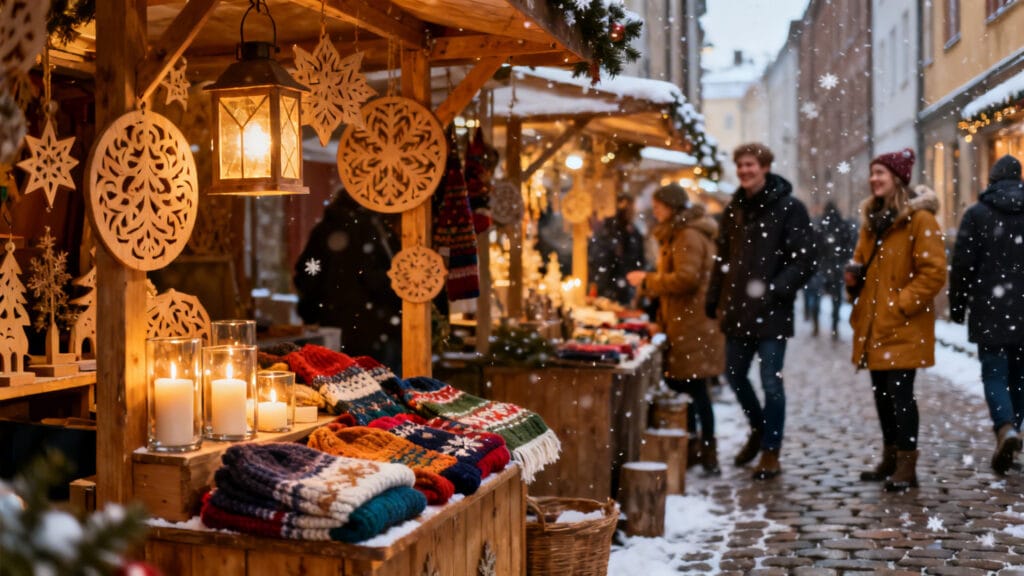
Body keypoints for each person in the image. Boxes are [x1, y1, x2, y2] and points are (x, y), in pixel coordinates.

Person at [705, 143, 816, 480]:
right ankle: (758, 428)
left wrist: (774, 291)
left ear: (765, 166)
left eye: (750, 164)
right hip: (738, 309)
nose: (744, 171)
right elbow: (722, 261)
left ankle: (771, 450)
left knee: (771, 383)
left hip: (772, 313)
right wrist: (714, 298)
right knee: (735, 376)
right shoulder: (733, 209)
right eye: (740, 165)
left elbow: (805, 259)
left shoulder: (789, 208)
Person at [847, 148, 947, 492]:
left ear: (898, 179)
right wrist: (854, 282)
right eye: (873, 172)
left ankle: (907, 464)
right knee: (882, 395)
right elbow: (863, 263)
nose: (875, 179)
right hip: (876, 325)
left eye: (882, 173)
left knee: (900, 394)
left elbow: (933, 273)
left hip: (903, 325)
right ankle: (890, 457)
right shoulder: (871, 220)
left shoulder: (920, 221)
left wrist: (899, 304)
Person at [626, 184, 725, 474]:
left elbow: (686, 279)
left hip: (694, 324)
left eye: (658, 207)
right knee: (689, 387)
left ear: (671, 207)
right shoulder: (680, 233)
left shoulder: (687, 235)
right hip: (686, 322)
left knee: (694, 388)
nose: (654, 212)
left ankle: (704, 451)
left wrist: (648, 280)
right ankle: (695, 446)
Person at [950, 154, 1024, 474]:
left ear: (991, 180)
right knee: (1020, 377)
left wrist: (957, 305)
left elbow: (962, 267)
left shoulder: (977, 214)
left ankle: (1005, 428)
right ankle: (1014, 430)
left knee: (994, 374)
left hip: (989, 309)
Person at [294, 189, 403, 372]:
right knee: (383, 384)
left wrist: (311, 310)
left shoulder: (324, 230)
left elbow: (308, 274)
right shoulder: (375, 230)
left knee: (339, 381)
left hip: (334, 324)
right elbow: (389, 277)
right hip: (376, 326)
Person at [590, 193, 647, 305]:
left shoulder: (633, 232)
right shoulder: (611, 230)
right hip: (611, 284)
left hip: (625, 284)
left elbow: (639, 259)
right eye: (628, 208)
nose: (632, 211)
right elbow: (603, 260)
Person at [818, 201, 855, 340]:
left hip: (825, 267)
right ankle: (834, 325)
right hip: (838, 267)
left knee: (817, 294)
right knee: (836, 298)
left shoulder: (822, 225)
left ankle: (816, 317)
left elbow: (818, 247)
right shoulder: (843, 225)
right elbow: (849, 246)